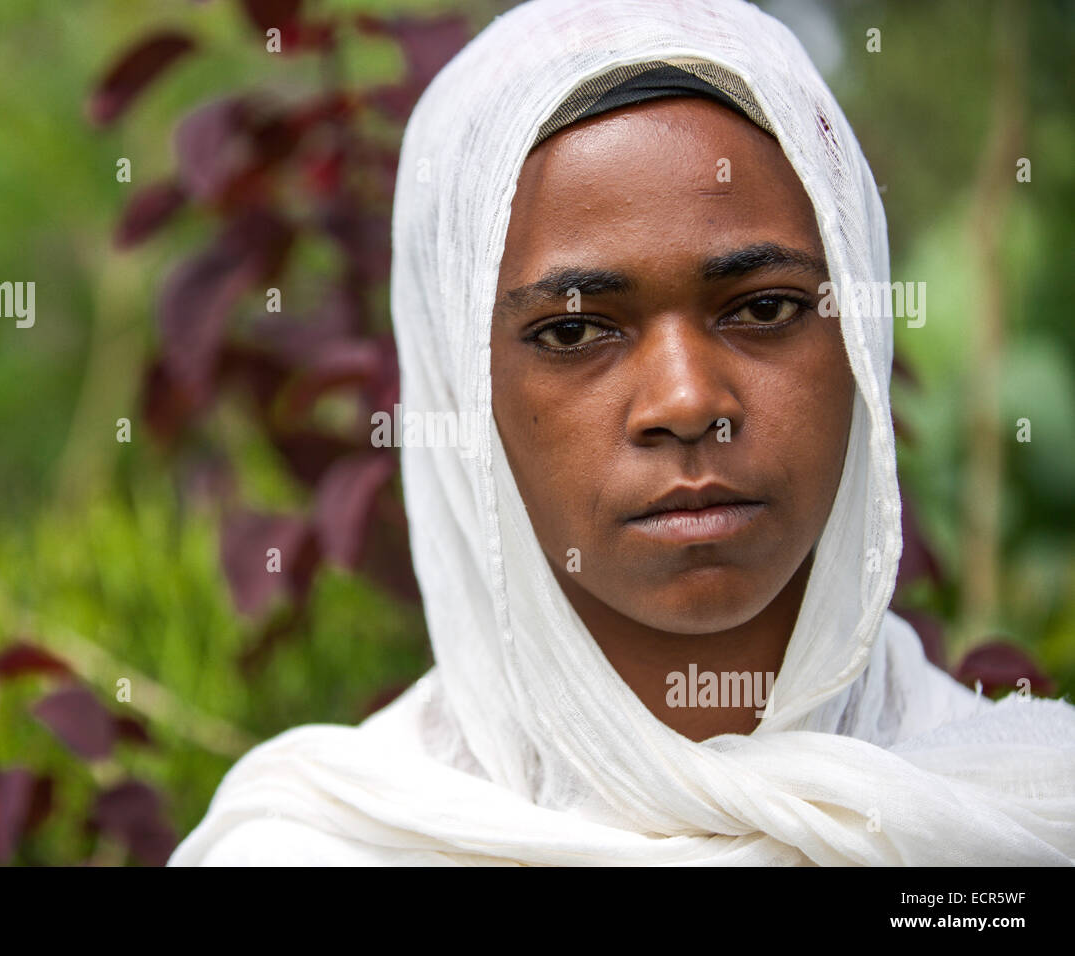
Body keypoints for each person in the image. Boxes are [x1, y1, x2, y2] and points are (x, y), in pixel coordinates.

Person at [169, 0, 1075, 865]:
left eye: (763, 307)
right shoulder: (328, 848)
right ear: (462, 386)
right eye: (572, 331)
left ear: (860, 340)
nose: (687, 401)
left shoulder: (1019, 825)